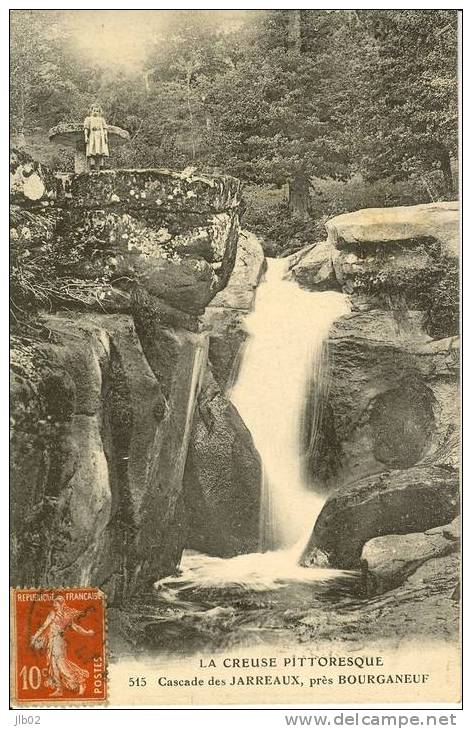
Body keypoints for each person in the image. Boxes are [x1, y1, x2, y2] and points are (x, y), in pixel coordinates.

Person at [30, 595, 94, 696]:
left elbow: (76, 628)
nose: (54, 605)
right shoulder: (52, 614)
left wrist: (87, 633)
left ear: (61, 604)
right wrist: (35, 637)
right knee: (54, 667)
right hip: (51, 643)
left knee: (61, 665)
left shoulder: (66, 616)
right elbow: (44, 627)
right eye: (54, 603)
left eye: (56, 603)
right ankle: (59, 690)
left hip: (59, 643)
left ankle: (81, 682)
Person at [83, 104, 109, 170]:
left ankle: (101, 165)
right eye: (94, 110)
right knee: (92, 149)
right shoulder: (88, 119)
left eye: (97, 111)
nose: (95, 112)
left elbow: (105, 128)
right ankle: (92, 164)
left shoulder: (102, 119)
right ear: (91, 111)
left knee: (101, 149)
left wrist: (105, 136)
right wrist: (86, 136)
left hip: (100, 135)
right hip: (93, 135)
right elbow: (86, 128)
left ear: (99, 112)